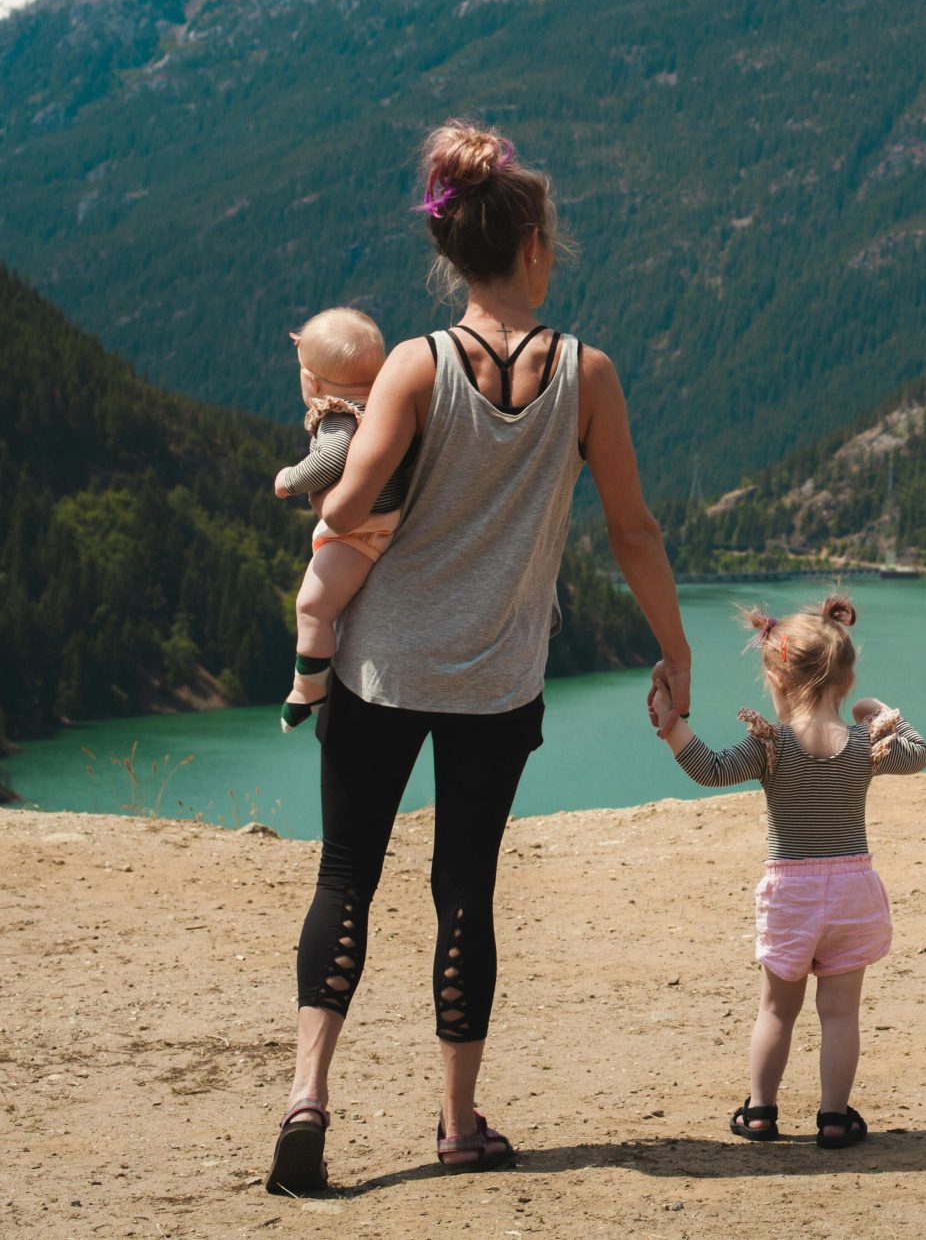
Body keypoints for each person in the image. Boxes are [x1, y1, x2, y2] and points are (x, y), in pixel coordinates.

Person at [266, 121, 693, 1195]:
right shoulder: (587, 375)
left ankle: (307, 1100)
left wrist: (333, 491)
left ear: (451, 253)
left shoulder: (413, 364)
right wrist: (675, 648)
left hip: (379, 672)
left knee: (346, 875)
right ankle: (458, 1125)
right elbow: (632, 530)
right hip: (497, 681)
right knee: (466, 890)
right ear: (536, 245)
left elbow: (353, 499)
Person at [650, 595, 926, 1149]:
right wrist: (879, 711)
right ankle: (832, 1117)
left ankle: (760, 1112)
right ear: (845, 683)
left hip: (792, 896)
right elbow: (919, 752)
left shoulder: (772, 746)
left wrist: (671, 725)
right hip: (853, 891)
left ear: (776, 681)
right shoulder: (863, 745)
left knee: (777, 1010)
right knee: (841, 1013)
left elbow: (709, 769)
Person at [272, 307, 407, 733]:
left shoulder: (338, 415)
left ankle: (307, 688)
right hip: (391, 518)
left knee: (311, 606)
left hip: (362, 533)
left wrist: (288, 480)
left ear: (310, 381)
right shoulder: (389, 404)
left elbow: (330, 460)